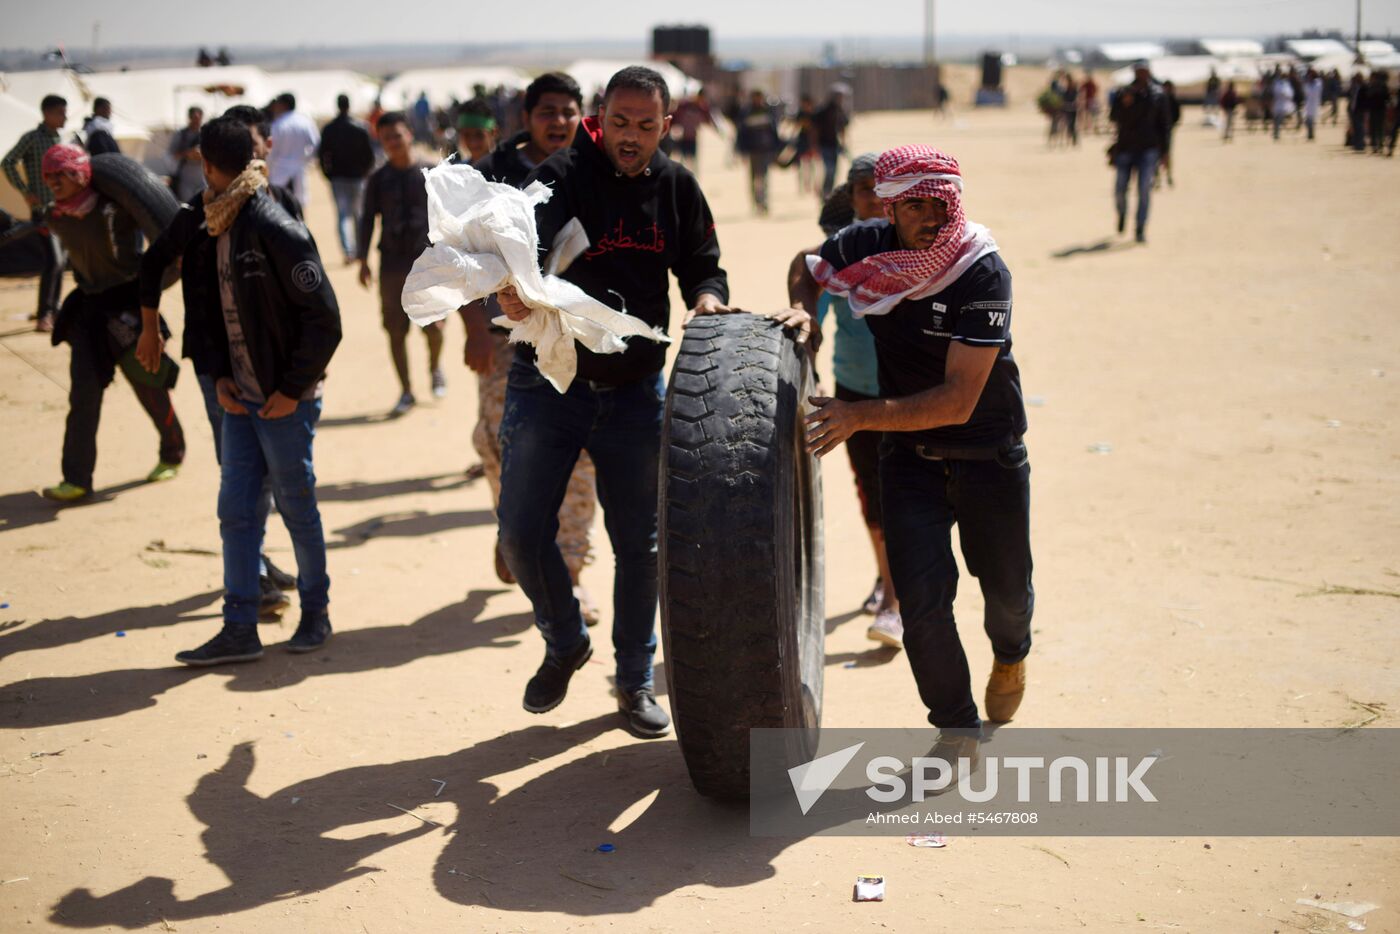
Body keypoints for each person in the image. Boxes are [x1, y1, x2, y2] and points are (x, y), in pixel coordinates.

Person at [492, 66, 807, 737]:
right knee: (521, 533)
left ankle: (633, 681)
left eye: (646, 125)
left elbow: (703, 260)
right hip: (549, 384)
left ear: (668, 124)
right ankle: (565, 639)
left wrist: (707, 297)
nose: (630, 138)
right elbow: (516, 256)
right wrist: (515, 290)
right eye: (620, 122)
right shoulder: (555, 177)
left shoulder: (675, 186)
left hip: (636, 395)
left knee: (641, 546)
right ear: (599, 116)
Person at [794, 144, 1032, 753]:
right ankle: (955, 728)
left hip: (987, 454)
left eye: (939, 202)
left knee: (1006, 593)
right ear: (890, 207)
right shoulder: (865, 245)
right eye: (915, 204)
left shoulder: (981, 270)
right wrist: (805, 316)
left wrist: (859, 416)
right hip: (908, 459)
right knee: (923, 604)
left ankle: (1011, 656)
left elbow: (957, 400)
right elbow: (807, 264)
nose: (930, 216)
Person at [174, 116, 342, 666]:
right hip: (241, 399)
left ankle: (315, 613)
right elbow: (212, 311)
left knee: (297, 507)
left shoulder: (273, 224)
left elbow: (325, 320)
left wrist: (292, 390)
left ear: (206, 165)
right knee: (237, 512)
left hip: (282, 403)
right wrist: (220, 373)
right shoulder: (214, 223)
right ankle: (239, 626)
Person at [138, 110, 307, 616]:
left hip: (276, 367)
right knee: (241, 472)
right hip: (221, 369)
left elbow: (307, 289)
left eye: (252, 151)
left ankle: (255, 560)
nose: (245, 164)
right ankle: (251, 575)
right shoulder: (198, 214)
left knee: (274, 474)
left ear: (265, 148)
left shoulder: (281, 205)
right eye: (235, 157)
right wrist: (150, 329)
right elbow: (151, 263)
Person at [463, 71, 600, 621]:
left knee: (582, 454)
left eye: (569, 112)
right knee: (497, 439)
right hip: (503, 336)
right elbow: (465, 259)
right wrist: (474, 328)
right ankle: (513, 524)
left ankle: (571, 574)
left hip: (575, 336)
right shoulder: (491, 175)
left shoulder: (596, 169)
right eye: (548, 112)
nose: (559, 122)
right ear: (527, 117)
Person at [787, 153, 901, 644]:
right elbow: (809, 280)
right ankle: (891, 587)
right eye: (863, 189)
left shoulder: (921, 246)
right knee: (874, 498)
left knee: (909, 496)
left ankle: (898, 597)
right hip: (855, 397)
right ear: (850, 198)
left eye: (883, 189)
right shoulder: (840, 253)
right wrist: (803, 321)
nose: (874, 197)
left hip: (916, 398)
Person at [37, 144, 186, 503]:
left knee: (149, 386)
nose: (54, 181)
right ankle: (76, 478)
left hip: (130, 307)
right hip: (89, 310)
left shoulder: (112, 207)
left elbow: (164, 235)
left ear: (82, 173)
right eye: (49, 175)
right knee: (83, 396)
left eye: (62, 173)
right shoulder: (55, 215)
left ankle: (172, 452)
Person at [357, 112, 444, 416]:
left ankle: (435, 368)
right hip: (392, 266)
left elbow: (448, 218)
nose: (393, 142)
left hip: (427, 265)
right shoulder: (378, 180)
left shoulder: (431, 174)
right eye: (386, 138)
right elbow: (367, 219)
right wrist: (363, 259)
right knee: (395, 330)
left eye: (397, 135)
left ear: (409, 134)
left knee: (434, 327)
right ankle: (406, 390)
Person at [3, 93, 67, 332]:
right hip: (42, 213)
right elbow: (8, 162)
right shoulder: (32, 139)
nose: (65, 117)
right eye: (60, 112)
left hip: (62, 211)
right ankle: (44, 315)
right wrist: (25, 191)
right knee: (54, 261)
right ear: (47, 114)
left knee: (62, 261)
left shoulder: (61, 139)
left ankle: (56, 309)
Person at [1109, 62, 1171, 244]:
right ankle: (1121, 214)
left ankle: (1140, 227)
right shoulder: (1125, 93)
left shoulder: (1158, 95)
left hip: (1148, 150)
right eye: (1139, 72)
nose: (1142, 75)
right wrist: (1125, 104)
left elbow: (1165, 126)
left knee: (1144, 189)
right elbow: (1114, 117)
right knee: (1120, 188)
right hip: (1126, 147)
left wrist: (1166, 152)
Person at [317, 94, 375, 264]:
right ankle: (358, 250)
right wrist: (366, 172)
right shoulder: (360, 127)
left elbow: (322, 154)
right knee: (358, 214)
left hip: (338, 177)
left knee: (343, 215)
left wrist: (327, 173)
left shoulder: (329, 128)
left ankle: (348, 252)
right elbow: (369, 154)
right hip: (357, 177)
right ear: (349, 106)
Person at [267, 93, 320, 209]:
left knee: (279, 207)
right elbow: (315, 144)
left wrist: (269, 168)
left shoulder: (278, 125)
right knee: (299, 207)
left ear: (283, 105)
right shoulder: (305, 122)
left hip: (279, 172)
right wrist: (305, 160)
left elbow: (271, 150)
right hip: (299, 170)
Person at [736, 89, 781, 215]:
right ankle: (756, 202)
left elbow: (773, 131)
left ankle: (764, 202)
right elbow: (741, 133)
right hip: (753, 150)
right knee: (755, 177)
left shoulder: (768, 111)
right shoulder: (746, 113)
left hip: (766, 150)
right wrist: (741, 150)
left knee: (765, 177)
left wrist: (776, 148)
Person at [812, 85, 850, 198]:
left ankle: (828, 193)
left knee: (834, 171)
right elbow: (814, 129)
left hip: (834, 145)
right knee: (829, 169)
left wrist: (843, 143)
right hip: (823, 145)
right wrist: (814, 145)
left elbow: (842, 128)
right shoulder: (822, 111)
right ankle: (825, 191)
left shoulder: (840, 111)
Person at [671, 89, 717, 173]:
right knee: (683, 159)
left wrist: (716, 129)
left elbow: (708, 119)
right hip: (684, 136)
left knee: (692, 161)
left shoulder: (701, 108)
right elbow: (675, 116)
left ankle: (690, 177)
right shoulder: (685, 105)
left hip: (693, 137)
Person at [168, 107, 206, 204]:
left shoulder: (206, 134)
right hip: (186, 175)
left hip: (202, 174)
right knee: (187, 203)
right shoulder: (181, 134)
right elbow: (173, 154)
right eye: (194, 118)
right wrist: (188, 153)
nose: (196, 121)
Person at [454, 98, 498, 163]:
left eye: (479, 135)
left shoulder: (508, 170)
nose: (473, 143)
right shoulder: (458, 171)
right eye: (467, 135)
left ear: (493, 132)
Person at [1159, 80, 1180, 187]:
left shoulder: (1172, 99)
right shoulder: (1158, 99)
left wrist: (1170, 125)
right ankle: (1157, 178)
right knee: (1156, 155)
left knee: (1167, 154)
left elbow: (1177, 115)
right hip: (1157, 132)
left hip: (1167, 131)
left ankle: (1168, 176)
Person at [1270, 68, 1295, 141]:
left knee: (1279, 119)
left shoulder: (1286, 84)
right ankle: (1276, 133)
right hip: (1278, 103)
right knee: (1276, 119)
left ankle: (1277, 133)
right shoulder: (1276, 83)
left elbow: (1290, 94)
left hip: (1284, 104)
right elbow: (1274, 92)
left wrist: (1285, 94)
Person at [1302, 68, 1323, 141]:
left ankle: (1311, 134)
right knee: (1307, 120)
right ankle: (1310, 133)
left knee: (1311, 120)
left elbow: (1315, 93)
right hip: (1308, 103)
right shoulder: (1308, 83)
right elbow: (1305, 92)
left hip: (1314, 103)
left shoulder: (1318, 82)